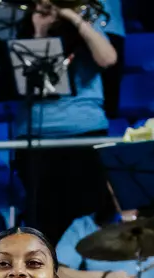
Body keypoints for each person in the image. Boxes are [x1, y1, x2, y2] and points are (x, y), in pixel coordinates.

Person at [10, 0, 121, 243]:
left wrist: (74, 18)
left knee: (87, 216)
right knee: (43, 222)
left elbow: (108, 58)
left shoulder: (87, 21)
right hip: (37, 136)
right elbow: (27, 81)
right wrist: (39, 30)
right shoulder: (23, 27)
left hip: (84, 132)